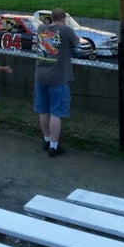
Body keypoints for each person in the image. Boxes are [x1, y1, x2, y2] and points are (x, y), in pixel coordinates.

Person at [34, 8, 79, 157]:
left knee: (43, 110)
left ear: (51, 18)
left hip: (40, 76)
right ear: (64, 19)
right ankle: (54, 146)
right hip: (58, 78)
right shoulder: (66, 31)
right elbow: (76, 43)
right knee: (56, 112)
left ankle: (46, 140)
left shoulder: (41, 28)